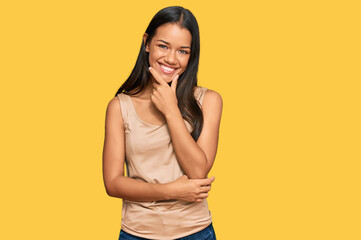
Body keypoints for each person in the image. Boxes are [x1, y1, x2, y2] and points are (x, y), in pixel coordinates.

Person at [102, 6, 223, 240]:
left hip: (195, 233)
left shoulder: (208, 101)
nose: (170, 58)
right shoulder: (119, 107)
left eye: (182, 51)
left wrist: (171, 110)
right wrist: (171, 191)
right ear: (147, 43)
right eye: (163, 46)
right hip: (137, 234)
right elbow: (113, 183)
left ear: (192, 54)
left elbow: (198, 171)